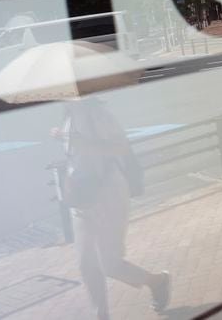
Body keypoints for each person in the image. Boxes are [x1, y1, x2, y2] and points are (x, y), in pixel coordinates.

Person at [56, 98, 170, 319]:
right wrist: (64, 138)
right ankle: (101, 315)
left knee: (109, 264)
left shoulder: (97, 113)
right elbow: (78, 157)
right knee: (86, 263)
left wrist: (83, 144)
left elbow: (121, 147)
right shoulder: (68, 116)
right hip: (81, 195)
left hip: (107, 192)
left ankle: (157, 281)